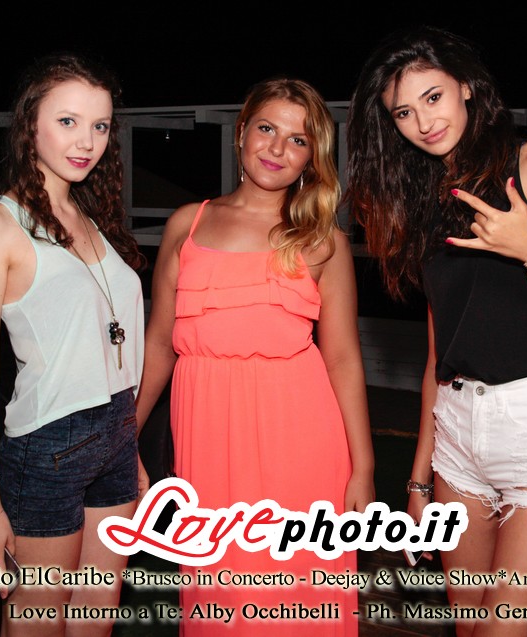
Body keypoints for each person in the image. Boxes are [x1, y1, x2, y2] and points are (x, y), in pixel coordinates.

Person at [346, 27, 527, 636]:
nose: (424, 122)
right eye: (403, 112)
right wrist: (418, 481)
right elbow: (438, 357)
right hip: (455, 434)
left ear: (466, 88)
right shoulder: (423, 199)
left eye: (433, 97)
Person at [135, 78, 374, 636]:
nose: (277, 148)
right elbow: (159, 343)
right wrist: (125, 436)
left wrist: (363, 469)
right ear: (241, 132)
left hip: (301, 442)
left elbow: (343, 359)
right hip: (206, 438)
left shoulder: (323, 240)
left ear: (312, 157)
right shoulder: (187, 224)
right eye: (267, 128)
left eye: (298, 140)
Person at [0, 52, 144, 637]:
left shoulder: (91, 216)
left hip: (117, 436)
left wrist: (131, 446)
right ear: (29, 125)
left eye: (100, 125)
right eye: (67, 121)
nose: (86, 141)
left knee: (95, 623)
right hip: (48, 446)